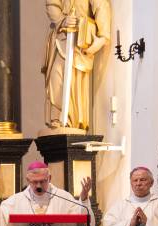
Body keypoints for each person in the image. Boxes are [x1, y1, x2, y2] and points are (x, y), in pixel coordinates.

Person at [42, 0, 111, 130]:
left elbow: (101, 5)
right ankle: (56, 118)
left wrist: (103, 37)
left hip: (80, 39)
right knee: (55, 77)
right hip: (61, 36)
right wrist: (62, 20)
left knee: (74, 80)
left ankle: (71, 120)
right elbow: (52, 4)